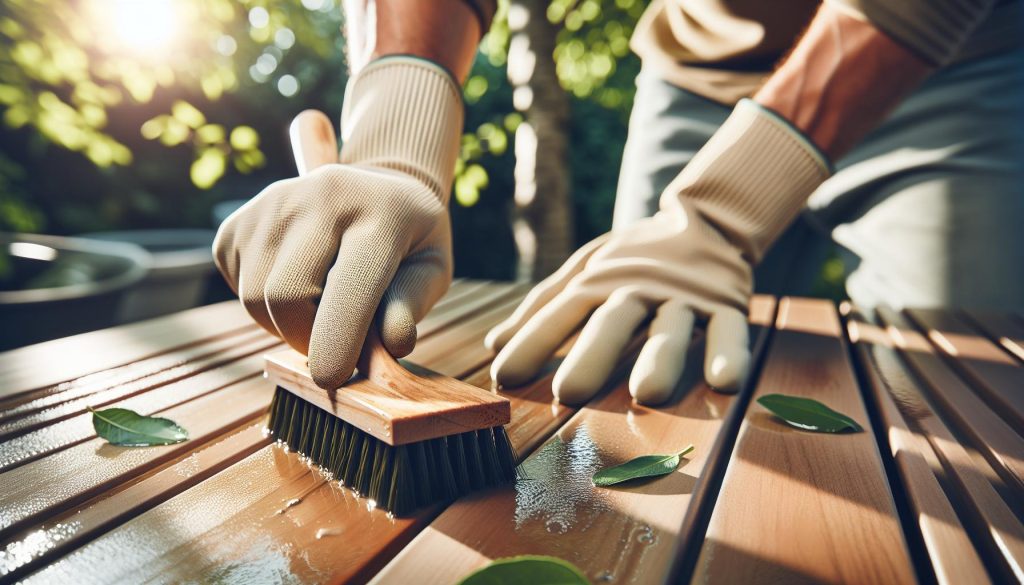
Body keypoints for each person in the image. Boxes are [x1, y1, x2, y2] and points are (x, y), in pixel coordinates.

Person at [213, 0, 1024, 406]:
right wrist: (397, 126)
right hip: (696, 70)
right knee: (635, 378)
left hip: (942, 58)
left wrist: (728, 204)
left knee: (972, 389)